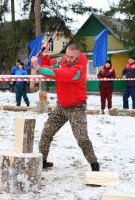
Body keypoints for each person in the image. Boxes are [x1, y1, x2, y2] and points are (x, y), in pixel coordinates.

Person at [31, 43, 99, 171]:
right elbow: (51, 64)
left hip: (76, 108)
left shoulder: (78, 70)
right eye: (67, 55)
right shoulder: (63, 60)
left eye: (72, 57)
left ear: (78, 56)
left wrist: (38, 67)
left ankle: (94, 165)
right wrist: (44, 55)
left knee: (82, 139)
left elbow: (58, 74)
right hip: (61, 105)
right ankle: (43, 161)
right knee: (47, 132)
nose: (68, 59)